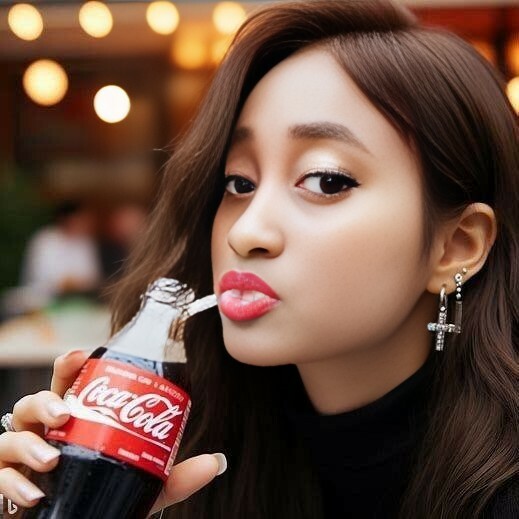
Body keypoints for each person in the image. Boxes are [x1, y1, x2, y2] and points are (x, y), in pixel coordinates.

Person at [0, 1, 517, 517]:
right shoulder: (198, 460)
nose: (246, 232)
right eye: (239, 183)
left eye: (326, 180)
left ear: (457, 247)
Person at [19, 200, 101, 300]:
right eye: (81, 219)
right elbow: (41, 276)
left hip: (76, 299)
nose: (86, 224)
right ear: (67, 219)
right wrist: (70, 283)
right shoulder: (45, 240)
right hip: (40, 299)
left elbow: (92, 276)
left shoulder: (85, 242)